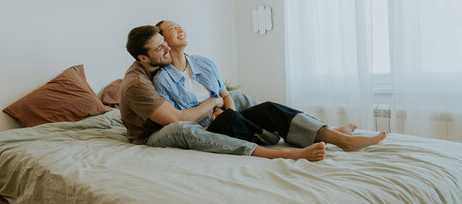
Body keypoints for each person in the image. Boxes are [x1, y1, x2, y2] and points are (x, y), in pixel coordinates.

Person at [152, 20, 388, 155]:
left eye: (180, 26)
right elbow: (179, 118)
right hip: (209, 128)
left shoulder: (203, 62)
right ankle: (284, 136)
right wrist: (215, 111)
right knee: (229, 121)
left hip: (228, 116)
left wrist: (229, 110)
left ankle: (334, 136)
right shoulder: (163, 79)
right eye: (173, 28)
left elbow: (224, 94)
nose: (181, 29)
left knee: (270, 108)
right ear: (162, 40)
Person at [119, 25, 327, 161]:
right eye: (160, 49)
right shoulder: (136, 84)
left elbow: (204, 94)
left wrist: (224, 108)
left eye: (164, 42)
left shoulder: (167, 65)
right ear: (143, 58)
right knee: (183, 129)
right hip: (150, 135)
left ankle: (320, 130)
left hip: (183, 114)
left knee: (236, 96)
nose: (167, 49)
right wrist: (214, 103)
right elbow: (175, 118)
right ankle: (273, 154)